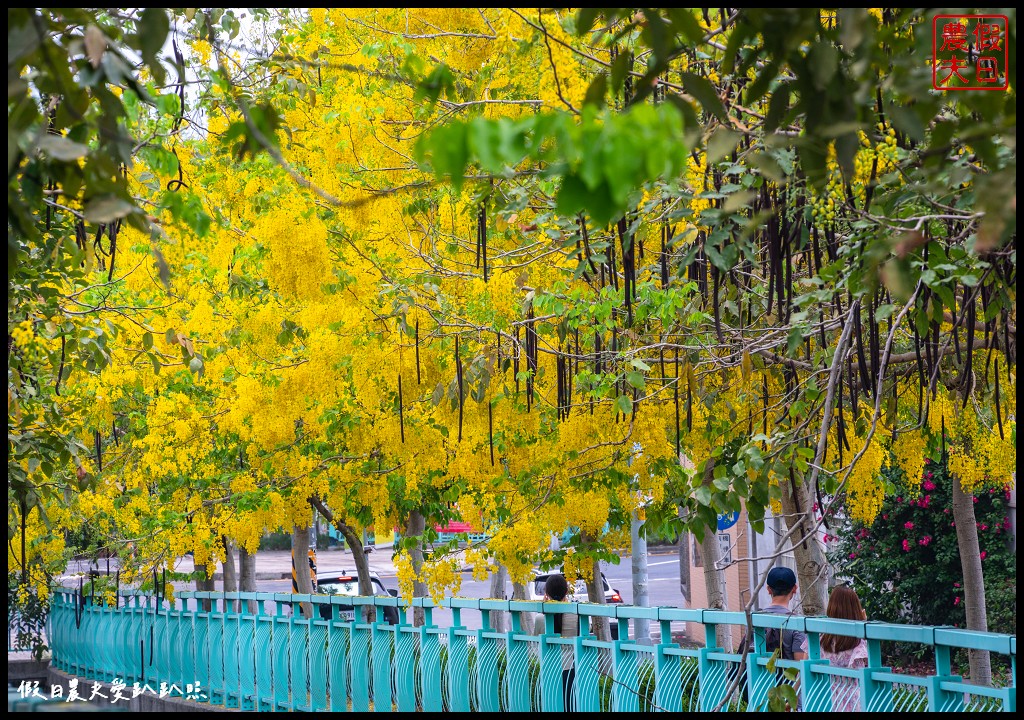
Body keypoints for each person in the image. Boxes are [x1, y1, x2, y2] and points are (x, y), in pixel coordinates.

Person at [820, 584, 869, 712]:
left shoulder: (820, 638)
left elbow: (803, 666)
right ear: (855, 610)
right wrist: (863, 625)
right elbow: (869, 666)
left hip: (825, 698)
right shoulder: (858, 641)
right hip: (853, 699)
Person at [533, 573, 577, 709]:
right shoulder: (576, 616)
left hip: (549, 669)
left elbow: (536, 641)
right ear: (566, 592)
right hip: (571, 668)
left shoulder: (540, 618)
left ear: (546, 593)